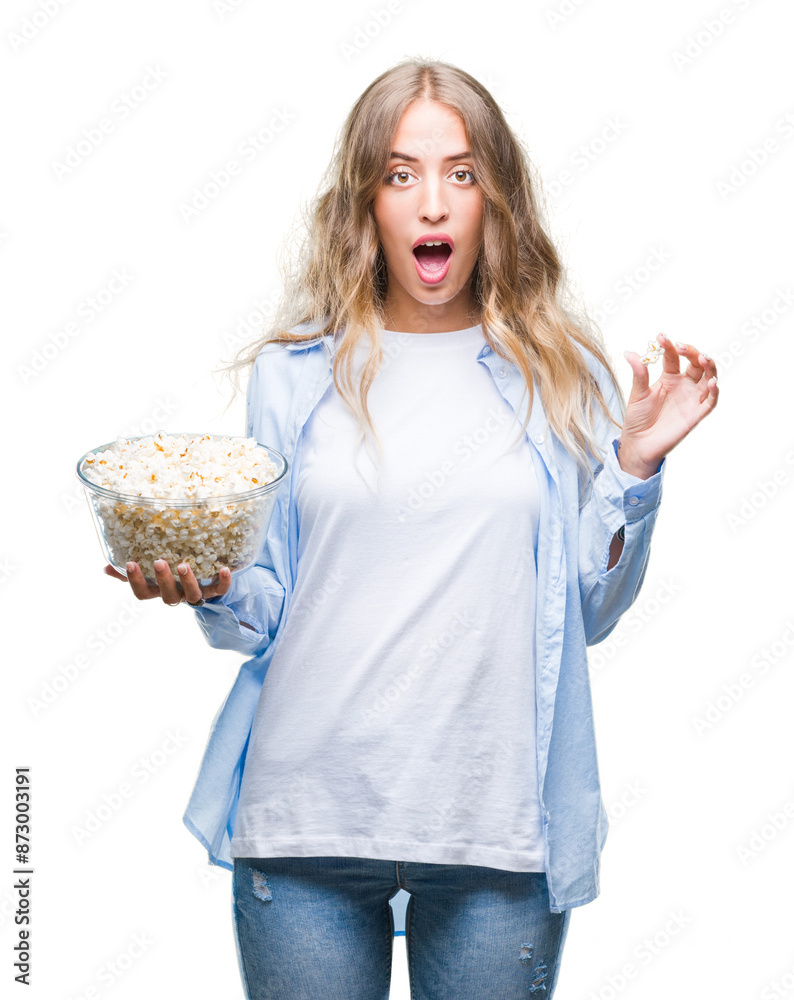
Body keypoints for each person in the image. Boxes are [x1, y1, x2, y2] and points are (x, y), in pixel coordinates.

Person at [105, 57, 719, 1000]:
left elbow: (588, 610)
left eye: (461, 173)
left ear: (495, 201)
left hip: (495, 828)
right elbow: (265, 608)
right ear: (368, 204)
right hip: (308, 820)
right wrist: (214, 581)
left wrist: (635, 470)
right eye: (401, 174)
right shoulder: (294, 376)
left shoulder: (565, 376)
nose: (433, 203)